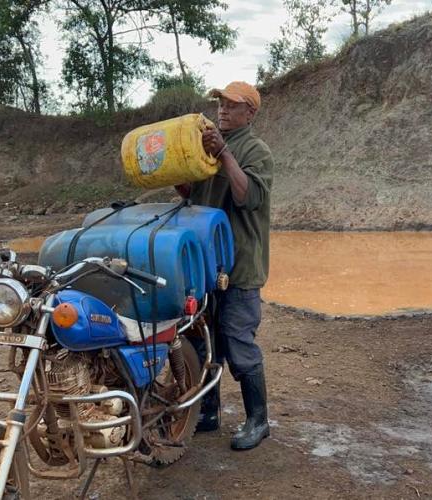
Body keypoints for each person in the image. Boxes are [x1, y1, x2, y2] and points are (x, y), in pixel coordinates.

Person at [175, 81, 273, 450]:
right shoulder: (207, 148)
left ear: (250, 113)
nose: (223, 110)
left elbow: (247, 197)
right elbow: (195, 197)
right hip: (206, 263)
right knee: (204, 339)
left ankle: (258, 421)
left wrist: (225, 154)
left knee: (238, 342)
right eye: (220, 104)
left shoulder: (255, 151)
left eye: (232, 106)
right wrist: (181, 177)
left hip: (241, 266)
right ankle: (209, 412)